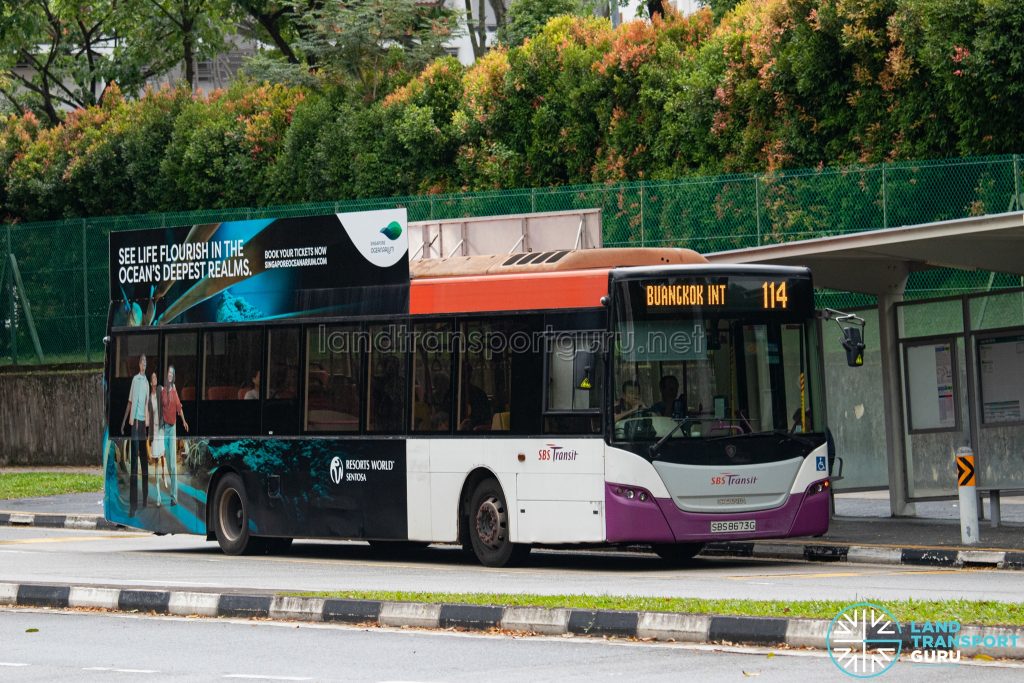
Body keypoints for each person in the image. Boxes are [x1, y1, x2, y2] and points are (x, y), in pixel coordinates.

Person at [120, 353, 150, 515]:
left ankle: (144, 500)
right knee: (134, 466)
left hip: (142, 427)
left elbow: (148, 406)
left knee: (144, 464)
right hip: (134, 425)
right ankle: (133, 506)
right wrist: (125, 421)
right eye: (142, 362)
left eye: (146, 362)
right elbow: (130, 402)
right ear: (139, 364)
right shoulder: (135, 380)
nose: (144, 364)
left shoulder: (146, 383)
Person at [161, 365, 189, 506]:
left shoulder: (174, 391)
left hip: (172, 428)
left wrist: (184, 422)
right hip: (163, 428)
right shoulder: (163, 391)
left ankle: (174, 497)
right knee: (167, 462)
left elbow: (179, 408)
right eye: (169, 373)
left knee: (172, 465)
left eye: (172, 373)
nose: (170, 375)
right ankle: (171, 493)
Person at [148, 372, 166, 506]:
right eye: (152, 378)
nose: (155, 379)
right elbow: (149, 417)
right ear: (150, 382)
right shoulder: (149, 398)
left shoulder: (160, 390)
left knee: (162, 458)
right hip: (154, 432)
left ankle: (164, 476)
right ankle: (159, 495)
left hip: (161, 430)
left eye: (155, 377)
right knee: (156, 462)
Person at [458, 361, 491, 431]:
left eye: (465, 375)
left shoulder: (479, 394)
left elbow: (487, 421)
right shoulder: (452, 393)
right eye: (463, 375)